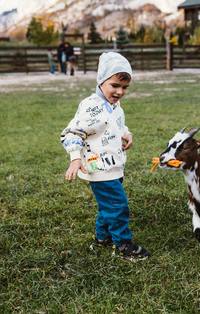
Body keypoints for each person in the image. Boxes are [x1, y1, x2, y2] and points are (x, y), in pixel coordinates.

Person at [61, 52, 150, 261]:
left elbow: (118, 124)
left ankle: (102, 238)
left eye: (125, 87)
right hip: (99, 169)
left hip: (113, 167)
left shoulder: (114, 106)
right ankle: (123, 244)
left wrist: (126, 134)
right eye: (115, 85)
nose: (120, 92)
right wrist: (75, 157)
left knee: (107, 205)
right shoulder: (92, 107)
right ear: (101, 81)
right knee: (118, 206)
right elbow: (72, 133)